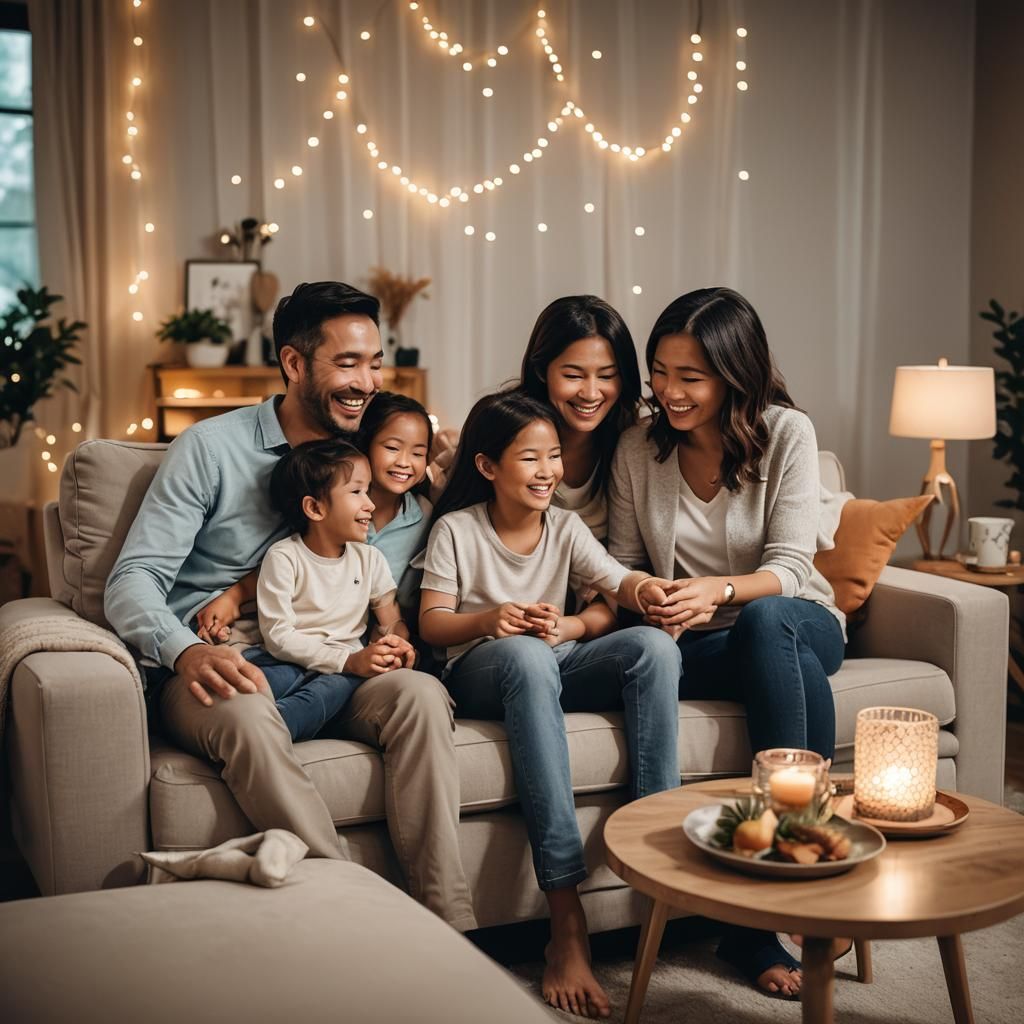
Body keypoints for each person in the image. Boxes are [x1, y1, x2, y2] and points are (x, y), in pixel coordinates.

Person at [104, 281, 476, 931]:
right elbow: (131, 579)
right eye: (348, 363)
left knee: (419, 695)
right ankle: (358, 918)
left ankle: (451, 925)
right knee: (249, 710)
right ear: (295, 363)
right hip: (223, 657)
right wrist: (185, 652)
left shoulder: (366, 455)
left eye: (375, 363)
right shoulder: (211, 449)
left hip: (334, 657)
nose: (367, 382)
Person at [608, 286, 848, 997]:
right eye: (660, 372)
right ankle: (805, 872)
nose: (669, 392)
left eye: (691, 376)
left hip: (796, 618)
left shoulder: (786, 433)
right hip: (698, 644)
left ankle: (766, 897)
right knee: (768, 653)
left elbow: (791, 567)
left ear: (734, 374)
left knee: (769, 623)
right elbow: (623, 563)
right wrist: (650, 595)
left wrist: (717, 590)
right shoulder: (637, 447)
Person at [419, 390, 682, 1019]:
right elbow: (431, 623)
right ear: (487, 466)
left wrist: (623, 602)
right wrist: (488, 620)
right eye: (530, 457)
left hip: (548, 658)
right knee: (527, 656)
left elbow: (615, 583)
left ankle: (657, 855)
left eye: (555, 455)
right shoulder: (458, 529)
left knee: (652, 647)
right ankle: (565, 918)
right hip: (482, 669)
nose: (548, 471)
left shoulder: (564, 526)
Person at [241, 439, 416, 742]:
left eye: (368, 490)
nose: (370, 504)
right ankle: (241, 721)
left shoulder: (370, 559)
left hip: (345, 669)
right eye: (356, 492)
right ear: (315, 507)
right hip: (287, 660)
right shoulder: (284, 557)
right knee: (254, 681)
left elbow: (391, 622)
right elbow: (278, 635)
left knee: (332, 687)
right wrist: (345, 661)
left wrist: (396, 645)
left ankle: (268, 733)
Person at [516, 295, 642, 541]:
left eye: (606, 376)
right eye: (573, 376)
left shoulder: (633, 440)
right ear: (541, 371)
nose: (591, 394)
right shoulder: (508, 430)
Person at [356, 391, 434, 613]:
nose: (404, 462)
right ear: (365, 444)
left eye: (417, 453)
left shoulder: (426, 517)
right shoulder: (337, 506)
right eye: (392, 448)